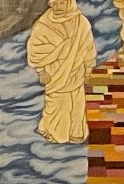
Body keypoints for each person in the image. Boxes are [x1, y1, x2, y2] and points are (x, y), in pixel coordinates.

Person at [27, 0, 97, 143]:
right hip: (55, 74)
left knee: (77, 104)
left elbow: (88, 48)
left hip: (76, 72)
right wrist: (41, 71)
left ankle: (76, 133)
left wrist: (88, 69)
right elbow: (35, 50)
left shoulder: (81, 23)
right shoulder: (44, 24)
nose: (58, 7)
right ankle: (54, 133)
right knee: (58, 104)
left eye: (62, 3)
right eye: (55, 3)